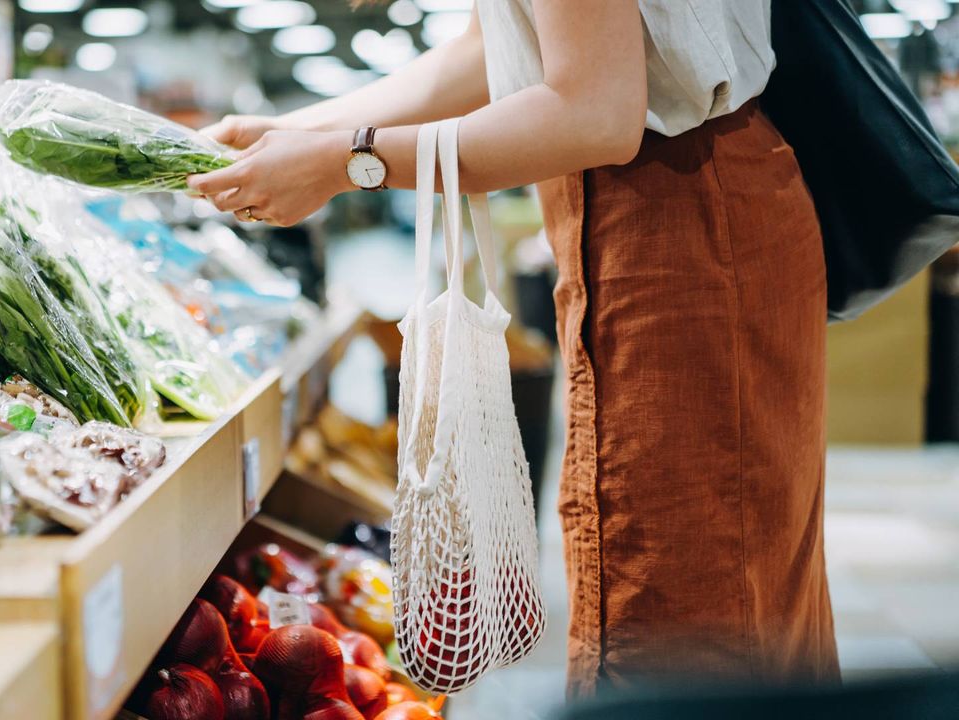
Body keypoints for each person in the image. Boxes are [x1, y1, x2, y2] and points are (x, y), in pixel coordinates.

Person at [189, 0, 840, 697]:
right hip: (668, 207)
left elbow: (593, 110)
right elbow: (487, 50)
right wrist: (293, 133)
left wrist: (346, 161)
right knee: (727, 588)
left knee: (690, 609)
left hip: (680, 221)